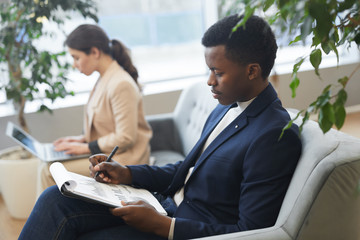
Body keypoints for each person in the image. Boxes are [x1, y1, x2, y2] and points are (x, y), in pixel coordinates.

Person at [20, 14, 302, 240]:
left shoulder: (274, 135)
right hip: (164, 204)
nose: (209, 81)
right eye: (209, 71)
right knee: (55, 198)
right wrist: (127, 173)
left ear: (252, 70)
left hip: (183, 225)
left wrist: (164, 227)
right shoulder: (225, 107)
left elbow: (252, 231)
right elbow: (186, 172)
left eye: (218, 72)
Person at [38, 24, 152, 192]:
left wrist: (86, 147)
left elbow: (126, 137)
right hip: (104, 155)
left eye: (76, 58)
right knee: (47, 166)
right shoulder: (104, 78)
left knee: (48, 171)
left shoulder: (120, 83)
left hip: (123, 160)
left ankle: (49, 217)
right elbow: (106, 125)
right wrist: (81, 139)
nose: (74, 64)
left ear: (95, 52)